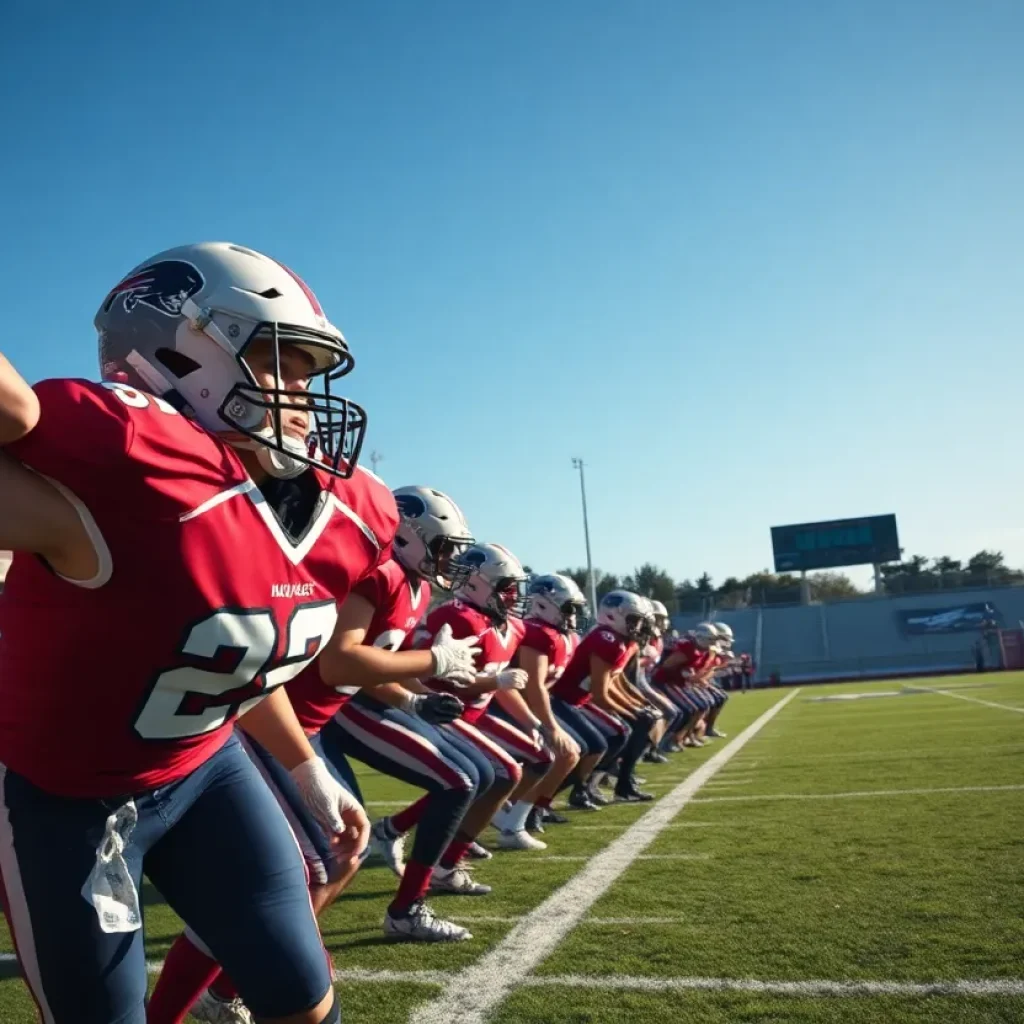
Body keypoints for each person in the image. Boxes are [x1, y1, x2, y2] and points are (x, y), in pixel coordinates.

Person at [0, 243, 395, 1024]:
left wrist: (308, 771)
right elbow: (15, 412)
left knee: (304, 1002)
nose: (301, 396)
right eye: (279, 361)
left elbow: (236, 657)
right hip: (64, 805)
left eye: (309, 372)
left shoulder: (344, 513)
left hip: (207, 774)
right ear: (175, 352)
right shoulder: (121, 478)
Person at [152, 487, 482, 1023]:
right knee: (292, 871)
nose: (448, 562)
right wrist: (433, 659)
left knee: (341, 854)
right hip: (266, 723)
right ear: (404, 533)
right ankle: (218, 986)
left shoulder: (414, 588)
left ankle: (237, 979)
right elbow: (339, 664)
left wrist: (414, 699)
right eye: (442, 547)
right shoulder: (382, 574)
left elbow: (362, 673)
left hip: (310, 728)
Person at [376, 542, 554, 873]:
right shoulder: (459, 618)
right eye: (507, 587)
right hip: (441, 711)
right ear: (477, 583)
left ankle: (452, 835)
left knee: (524, 763)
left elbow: (501, 686)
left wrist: (530, 720)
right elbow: (443, 678)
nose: (515, 596)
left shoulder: (512, 627)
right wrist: (496, 683)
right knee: (479, 779)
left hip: (475, 715)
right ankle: (426, 844)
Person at [550, 590, 657, 804]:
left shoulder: (621, 641)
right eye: (633, 620)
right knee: (618, 732)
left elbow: (615, 682)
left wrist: (638, 704)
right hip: (566, 700)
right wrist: (633, 711)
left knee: (634, 724)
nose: (637, 627)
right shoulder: (606, 639)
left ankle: (604, 783)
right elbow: (600, 694)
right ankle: (574, 788)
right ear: (613, 615)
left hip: (579, 701)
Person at [508, 573, 586, 832]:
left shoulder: (559, 635)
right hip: (506, 707)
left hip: (528, 707)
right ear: (542, 605)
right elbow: (534, 686)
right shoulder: (537, 632)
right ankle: (507, 812)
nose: (573, 615)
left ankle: (527, 812)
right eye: (568, 608)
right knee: (559, 754)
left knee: (569, 753)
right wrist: (551, 727)